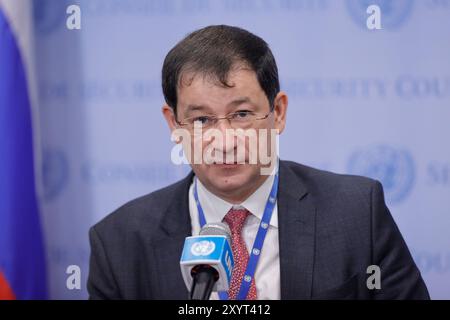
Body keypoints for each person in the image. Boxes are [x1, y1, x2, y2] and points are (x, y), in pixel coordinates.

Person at [87, 25, 429, 300]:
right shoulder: (119, 243)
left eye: (241, 114)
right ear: (174, 125)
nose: (224, 140)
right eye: (202, 120)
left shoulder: (356, 213)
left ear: (277, 112)